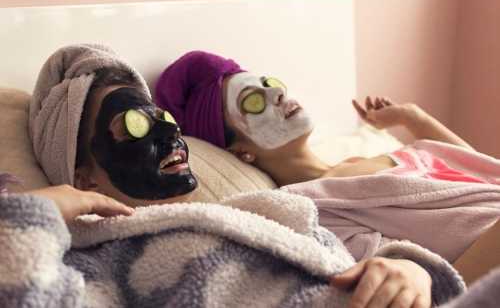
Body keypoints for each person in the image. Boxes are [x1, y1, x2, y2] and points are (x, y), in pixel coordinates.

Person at [0, 44, 467, 308]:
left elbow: (371, 262)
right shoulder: (103, 260)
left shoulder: (268, 210)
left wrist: (410, 269)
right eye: (134, 125)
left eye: (162, 117)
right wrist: (33, 215)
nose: (167, 133)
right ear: (83, 179)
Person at [154, 50, 500, 284]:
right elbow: (434, 277)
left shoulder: (368, 158)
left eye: (269, 84)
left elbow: (478, 174)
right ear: (242, 153)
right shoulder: (313, 206)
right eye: (253, 101)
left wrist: (414, 118)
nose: (275, 94)